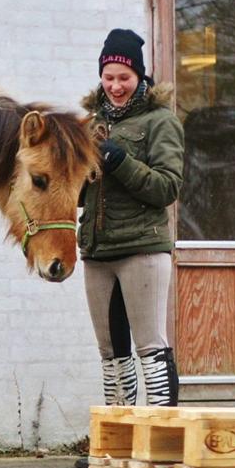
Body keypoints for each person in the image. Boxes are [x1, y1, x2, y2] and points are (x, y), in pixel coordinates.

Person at [78, 28, 184, 411]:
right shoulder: (89, 124)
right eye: (109, 77)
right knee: (110, 352)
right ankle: (116, 436)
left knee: (149, 346)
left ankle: (161, 436)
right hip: (98, 250)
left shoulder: (160, 122)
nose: (116, 86)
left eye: (124, 78)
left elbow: (167, 188)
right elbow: (79, 193)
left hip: (142, 249)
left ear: (139, 76)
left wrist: (119, 161)